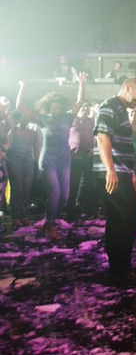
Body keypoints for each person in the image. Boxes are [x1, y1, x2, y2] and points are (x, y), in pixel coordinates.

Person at [17, 73, 86, 239]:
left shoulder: (67, 117)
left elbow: (80, 101)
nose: (57, 111)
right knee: (54, 193)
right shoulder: (42, 119)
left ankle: (49, 221)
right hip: (48, 160)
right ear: (49, 108)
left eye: (59, 108)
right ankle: (50, 225)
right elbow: (20, 106)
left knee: (64, 197)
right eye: (54, 109)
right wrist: (22, 88)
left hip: (64, 159)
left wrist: (81, 83)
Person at [93, 77, 136, 285]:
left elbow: (120, 146)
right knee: (131, 217)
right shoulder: (110, 106)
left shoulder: (121, 109)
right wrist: (111, 170)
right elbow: (102, 137)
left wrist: (130, 172)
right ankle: (121, 268)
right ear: (127, 88)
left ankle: (118, 269)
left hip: (119, 171)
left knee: (117, 219)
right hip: (112, 172)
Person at [6, 109, 38, 228]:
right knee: (17, 188)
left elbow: (36, 150)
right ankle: (15, 217)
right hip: (15, 158)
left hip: (28, 159)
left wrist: (38, 165)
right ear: (18, 118)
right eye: (22, 117)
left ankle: (23, 216)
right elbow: (8, 143)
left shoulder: (33, 132)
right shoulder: (13, 130)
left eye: (26, 117)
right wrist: (12, 126)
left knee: (26, 189)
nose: (25, 119)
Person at [67, 102, 96, 220]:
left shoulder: (92, 121)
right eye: (83, 106)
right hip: (74, 156)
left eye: (87, 107)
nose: (85, 108)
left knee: (89, 184)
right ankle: (70, 212)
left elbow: (98, 136)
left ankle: (89, 211)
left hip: (88, 155)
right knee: (73, 184)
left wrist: (95, 149)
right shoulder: (71, 120)